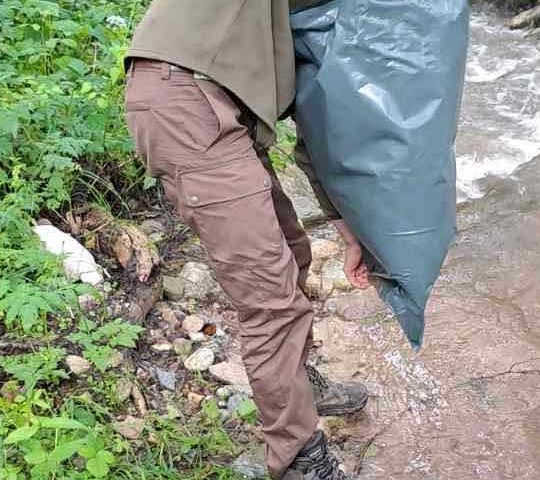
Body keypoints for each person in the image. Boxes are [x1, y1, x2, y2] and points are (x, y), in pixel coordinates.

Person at [124, 1, 370, 479]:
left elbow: (315, 126)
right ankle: (299, 460)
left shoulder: (293, 20)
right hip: (187, 99)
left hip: (210, 97)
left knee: (292, 252)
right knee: (269, 298)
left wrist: (344, 225)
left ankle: (298, 386)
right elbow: (327, 119)